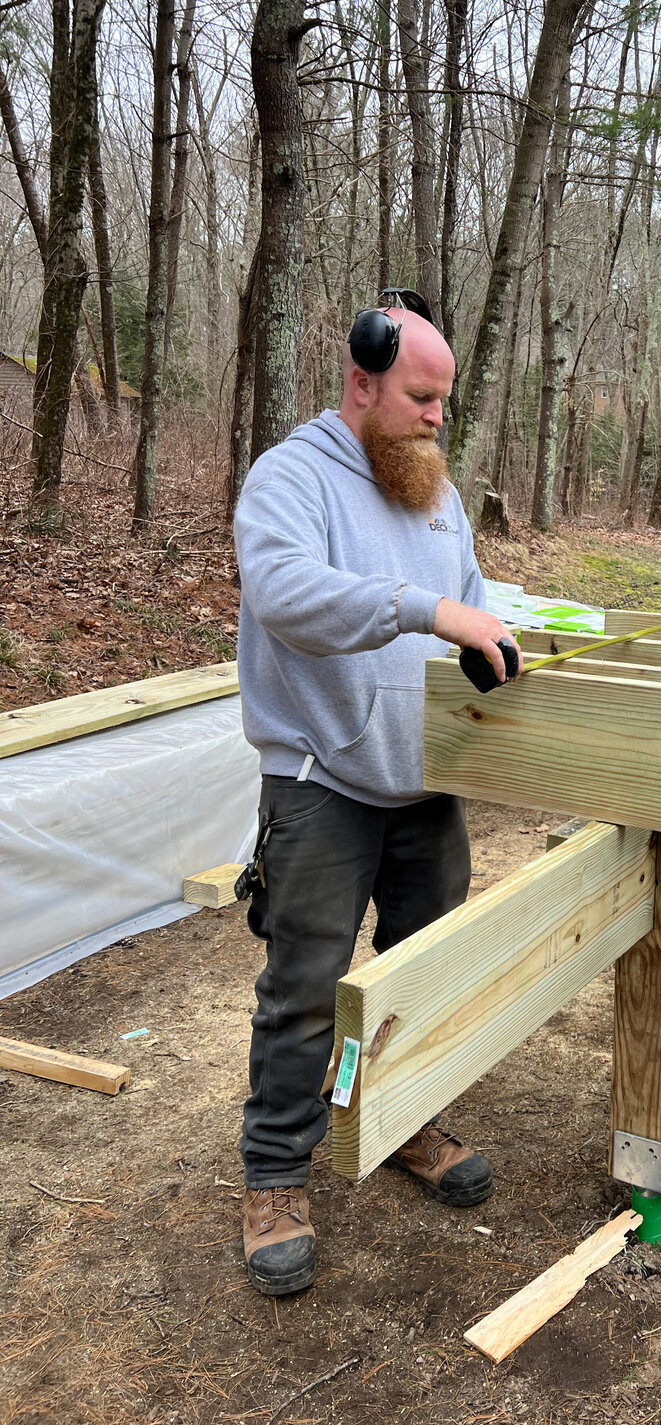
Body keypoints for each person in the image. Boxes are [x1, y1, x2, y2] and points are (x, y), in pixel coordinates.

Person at [232, 301, 522, 1297]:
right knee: (306, 988)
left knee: (418, 971)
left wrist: (513, 625)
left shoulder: (431, 488)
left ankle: (400, 1118)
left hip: (424, 774)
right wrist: (421, 608)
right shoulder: (293, 477)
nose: (439, 417)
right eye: (422, 397)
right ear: (362, 383)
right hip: (321, 779)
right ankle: (275, 1174)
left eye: (445, 400)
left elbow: (471, 588)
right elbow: (285, 593)